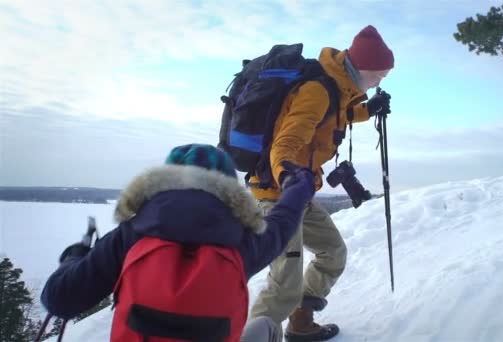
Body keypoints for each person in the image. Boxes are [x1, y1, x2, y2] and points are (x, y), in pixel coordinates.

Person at [40, 143, 315, 342]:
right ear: (229, 189)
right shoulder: (241, 243)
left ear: (165, 180)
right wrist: (298, 187)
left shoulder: (131, 235)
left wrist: (73, 258)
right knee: (266, 326)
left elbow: (59, 300)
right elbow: (282, 223)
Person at [247, 25, 394, 341]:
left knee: (332, 252)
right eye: (379, 75)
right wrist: (287, 176)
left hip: (300, 191)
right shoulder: (317, 90)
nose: (380, 81)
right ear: (362, 68)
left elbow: (339, 115)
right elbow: (284, 143)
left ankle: (300, 322)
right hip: (277, 193)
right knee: (284, 282)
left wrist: (369, 109)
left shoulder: (339, 89)